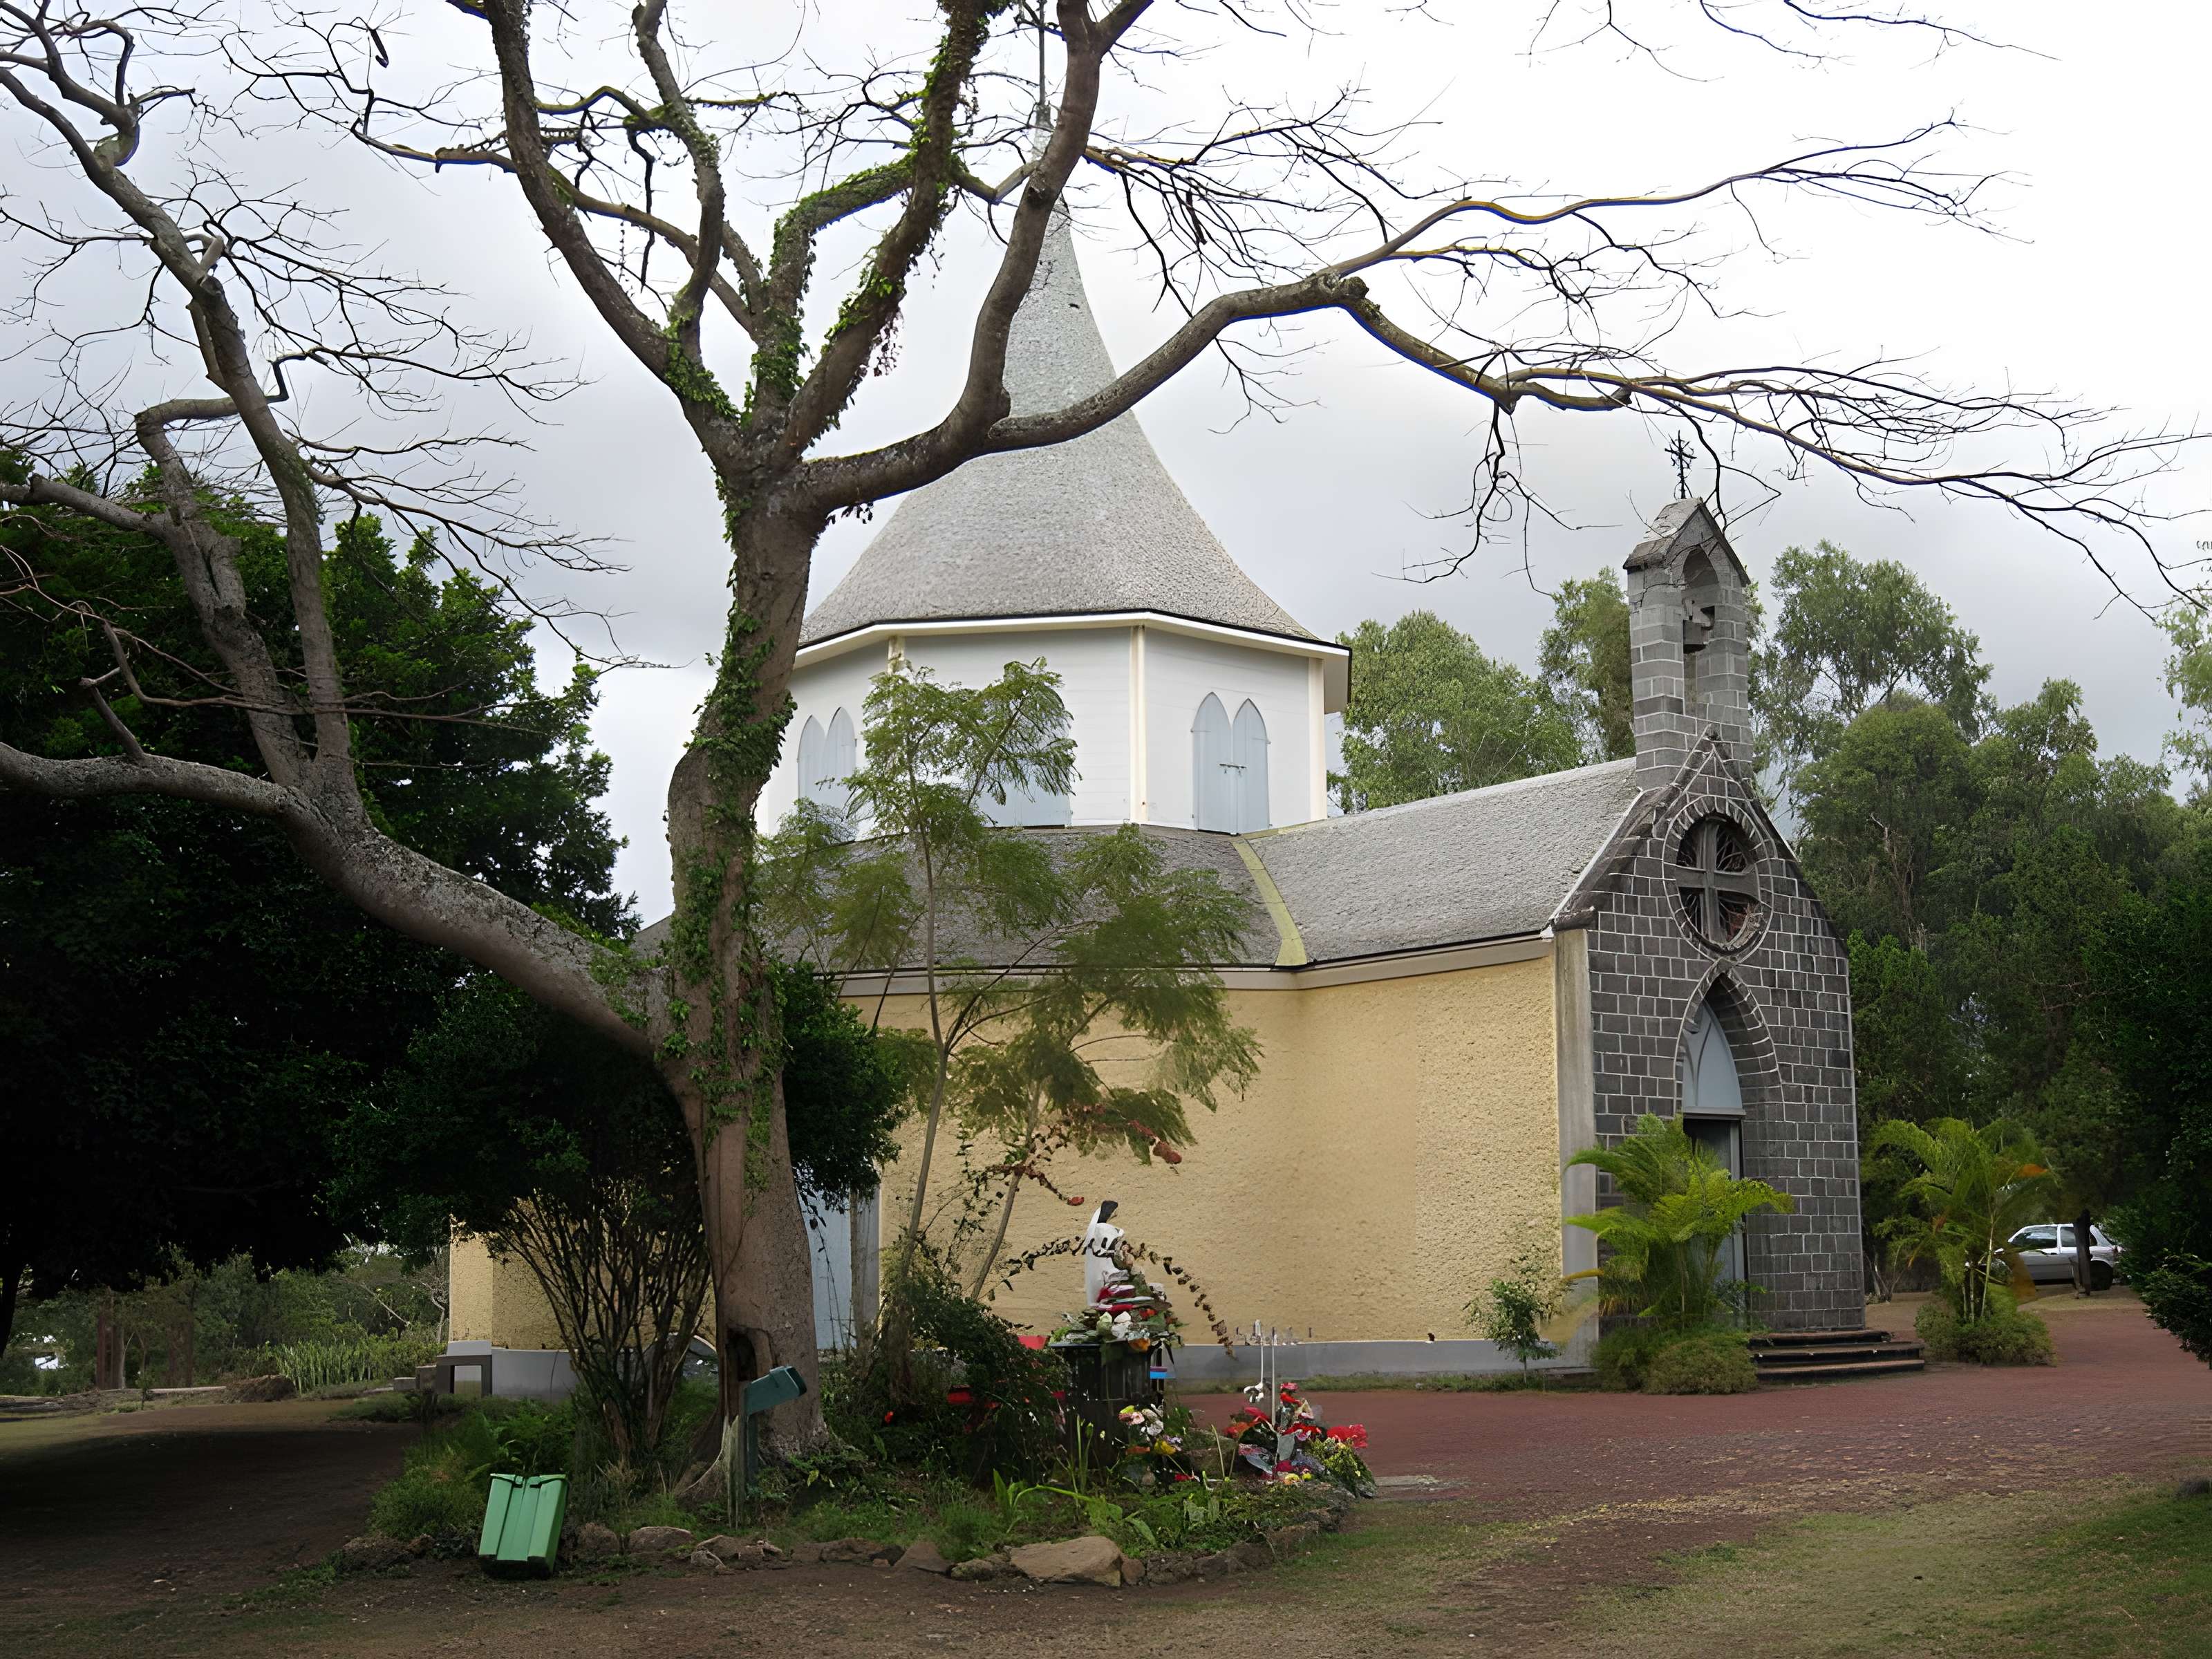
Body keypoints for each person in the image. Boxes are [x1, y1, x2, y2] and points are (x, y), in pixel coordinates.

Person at [1081, 1199, 1130, 1308]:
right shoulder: (1104, 1228)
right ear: (1111, 1212)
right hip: (1104, 1262)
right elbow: (1113, 1241)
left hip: (1098, 1262)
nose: (1117, 1212)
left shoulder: (1097, 1227)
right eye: (1116, 1210)